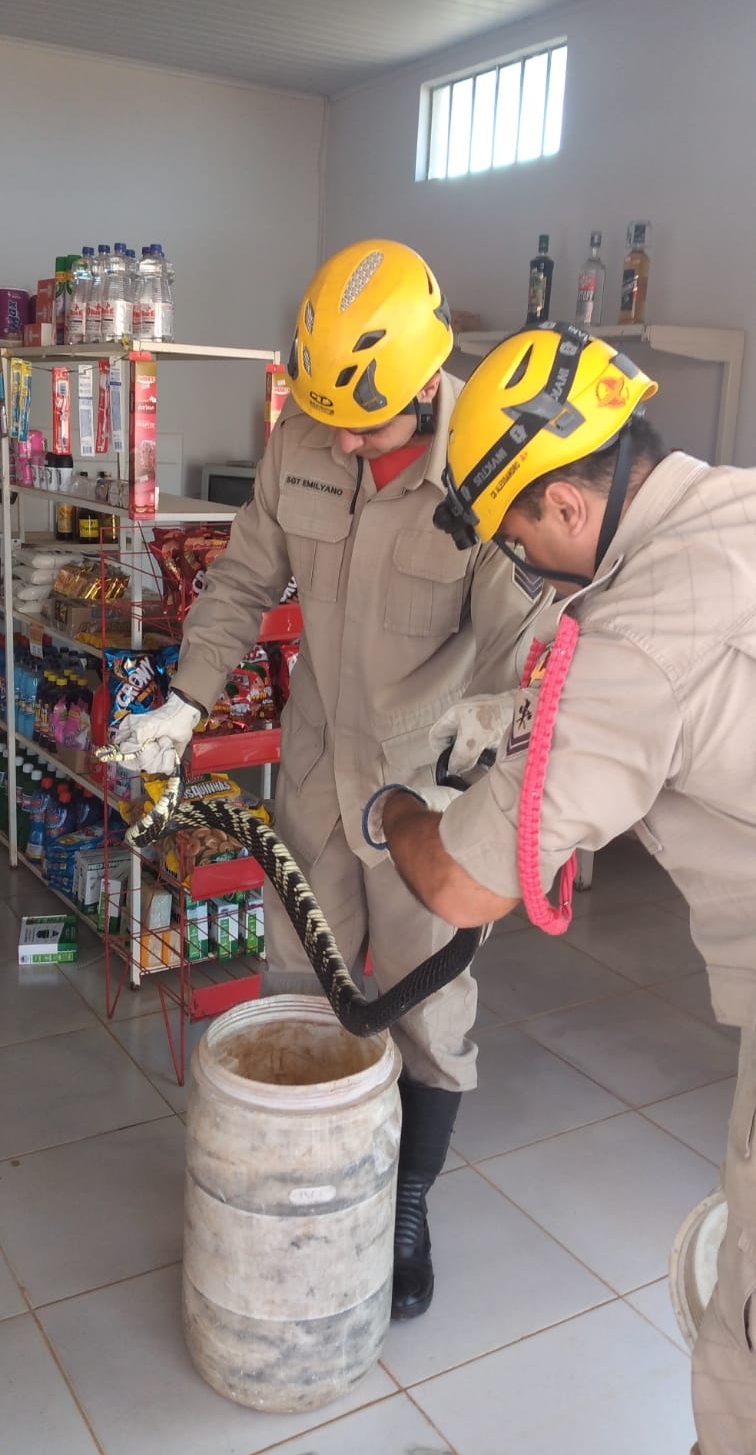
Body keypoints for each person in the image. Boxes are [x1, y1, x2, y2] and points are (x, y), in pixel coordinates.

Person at [115, 239, 547, 1321]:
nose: (345, 440)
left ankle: (407, 1202)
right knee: (297, 975)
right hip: (313, 761)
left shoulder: (489, 469)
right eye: (329, 417)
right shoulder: (306, 433)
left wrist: (493, 786)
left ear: (424, 382)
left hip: (425, 786)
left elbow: (522, 653)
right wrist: (184, 699)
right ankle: (304, 1173)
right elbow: (244, 575)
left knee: (428, 1003)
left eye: (368, 420)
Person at [364, 320, 756, 1451]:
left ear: (571, 507)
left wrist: (391, 809)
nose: (525, 565)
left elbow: (465, 885)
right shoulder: (731, 504)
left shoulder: (630, 646)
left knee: (743, 1329)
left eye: (520, 537)